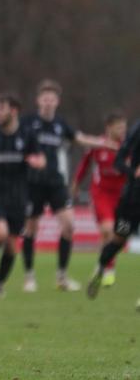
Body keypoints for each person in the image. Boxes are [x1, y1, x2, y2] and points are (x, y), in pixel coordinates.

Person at [0, 80, 114, 292]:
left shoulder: (60, 124)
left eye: (52, 99)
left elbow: (79, 138)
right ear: (38, 101)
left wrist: (104, 143)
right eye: (45, 99)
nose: (48, 102)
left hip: (54, 181)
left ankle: (62, 276)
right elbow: (5, 122)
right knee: (30, 229)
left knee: (69, 225)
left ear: (57, 102)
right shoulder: (28, 121)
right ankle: (29, 276)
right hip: (31, 183)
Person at [0, 93, 45, 298]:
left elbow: (41, 158)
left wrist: (38, 163)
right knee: (0, 234)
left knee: (12, 247)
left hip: (18, 197)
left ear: (14, 111)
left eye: (2, 109)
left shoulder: (27, 134)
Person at [71, 112, 128, 287]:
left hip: (122, 195)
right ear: (108, 128)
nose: (122, 131)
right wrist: (76, 183)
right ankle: (109, 270)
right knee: (108, 228)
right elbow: (85, 164)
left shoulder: (128, 146)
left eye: (124, 128)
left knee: (116, 234)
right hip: (101, 193)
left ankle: (101, 265)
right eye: (119, 128)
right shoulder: (98, 145)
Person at [87, 118, 140, 299]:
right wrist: (134, 173)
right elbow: (119, 162)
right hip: (132, 201)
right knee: (119, 239)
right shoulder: (137, 130)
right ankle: (101, 267)